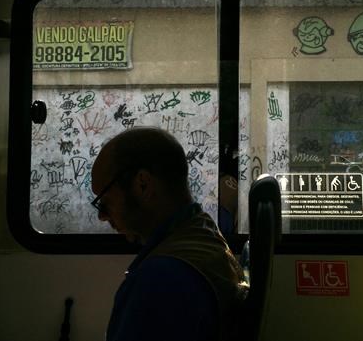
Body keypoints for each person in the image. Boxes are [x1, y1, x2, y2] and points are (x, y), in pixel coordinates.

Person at [91, 127, 247, 341]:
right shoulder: (204, 234)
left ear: (143, 185)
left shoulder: (161, 280)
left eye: (105, 202)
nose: (102, 216)